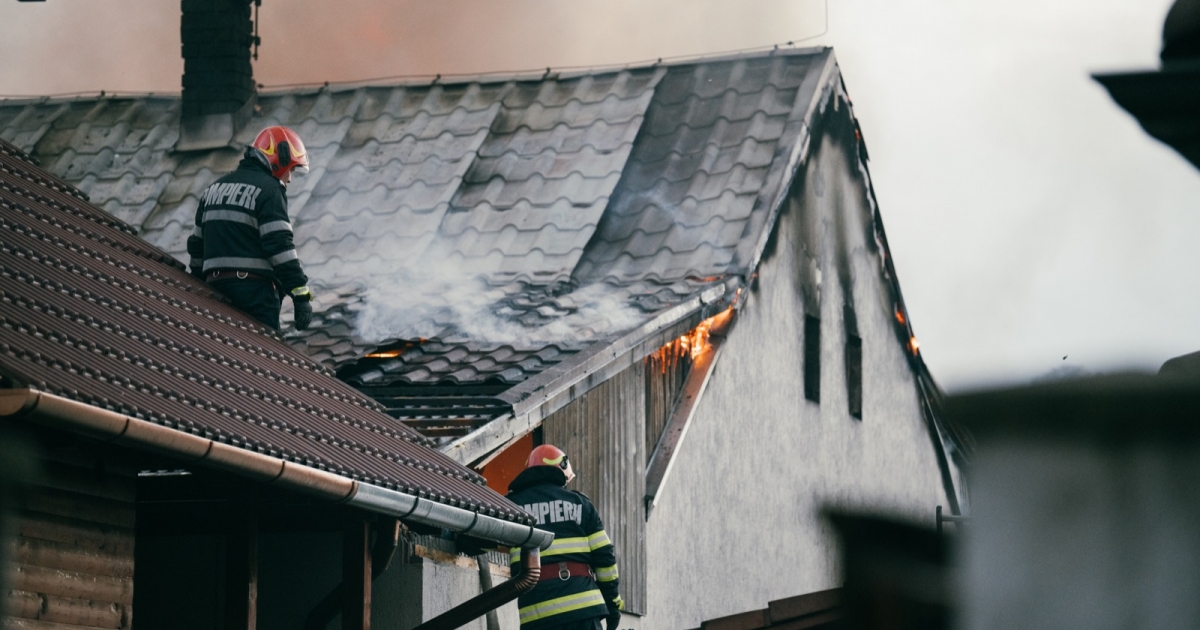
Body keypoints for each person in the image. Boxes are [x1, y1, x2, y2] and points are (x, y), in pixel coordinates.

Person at [187, 125, 314, 331]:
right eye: (290, 169)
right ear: (278, 159)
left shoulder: (212, 190)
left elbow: (196, 248)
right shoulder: (270, 191)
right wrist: (300, 294)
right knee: (264, 357)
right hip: (254, 295)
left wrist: (198, 289)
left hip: (212, 292)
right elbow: (279, 246)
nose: (289, 178)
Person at [507, 445, 624, 630]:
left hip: (537, 614)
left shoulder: (512, 504)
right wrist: (613, 606)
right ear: (560, 469)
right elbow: (605, 559)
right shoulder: (581, 504)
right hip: (583, 610)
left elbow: (479, 537)